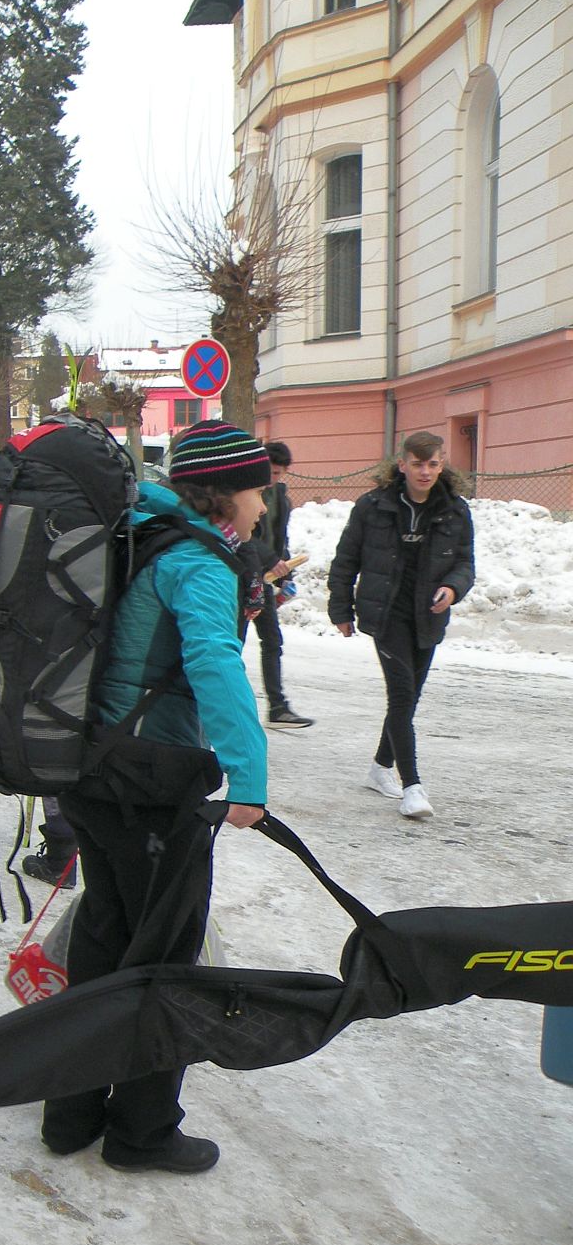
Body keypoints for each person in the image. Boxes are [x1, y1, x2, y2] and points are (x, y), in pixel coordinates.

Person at [40, 419, 271, 1176]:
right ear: (225, 495)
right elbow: (212, 661)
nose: (264, 507)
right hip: (151, 783)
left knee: (104, 940)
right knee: (165, 957)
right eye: (258, 491)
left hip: (94, 768)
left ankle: (71, 1111)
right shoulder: (197, 561)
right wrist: (249, 776)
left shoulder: (144, 535)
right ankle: (141, 1131)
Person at [327, 431, 475, 821]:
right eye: (417, 464)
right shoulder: (373, 506)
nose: (425, 471)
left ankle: (380, 766)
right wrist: (340, 608)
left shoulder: (455, 510)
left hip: (428, 615)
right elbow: (346, 559)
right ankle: (412, 787)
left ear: (442, 465)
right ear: (402, 465)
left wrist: (452, 588)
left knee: (409, 699)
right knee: (402, 694)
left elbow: (465, 563)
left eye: (433, 464)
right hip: (386, 612)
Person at [247, 441, 313, 730]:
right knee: (232, 643)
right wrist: (271, 560)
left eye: (279, 473)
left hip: (266, 579)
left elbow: (279, 539)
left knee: (272, 641)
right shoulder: (248, 492)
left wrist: (286, 574)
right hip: (245, 577)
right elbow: (245, 536)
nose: (274, 478)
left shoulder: (280, 497)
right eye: (272, 472)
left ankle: (277, 706)